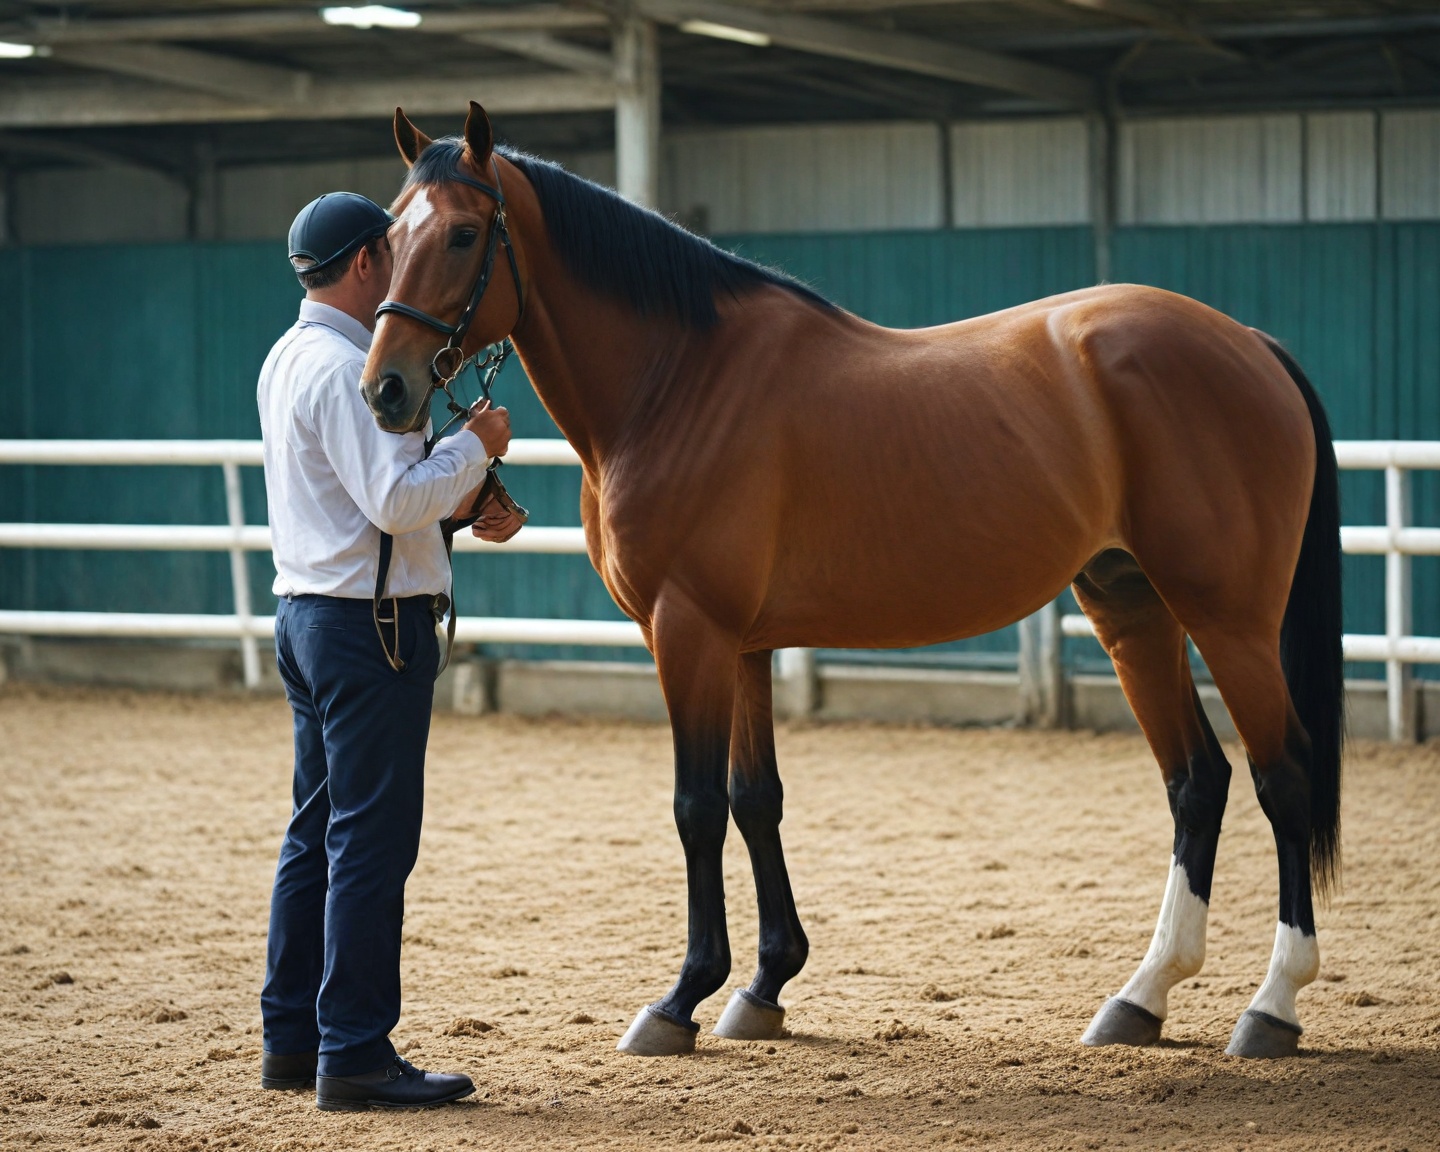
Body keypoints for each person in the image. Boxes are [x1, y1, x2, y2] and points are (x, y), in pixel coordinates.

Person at [255, 191, 515, 1111]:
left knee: (315, 836)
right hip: (372, 632)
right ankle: (356, 1053)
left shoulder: (288, 356)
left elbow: (369, 498)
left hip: (308, 615)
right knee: (371, 843)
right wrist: (475, 447)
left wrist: (454, 491)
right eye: (393, 252)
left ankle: (294, 1039)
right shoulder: (343, 369)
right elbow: (395, 502)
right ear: (367, 261)